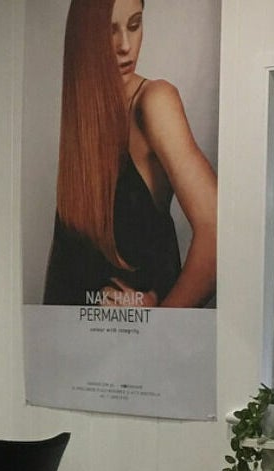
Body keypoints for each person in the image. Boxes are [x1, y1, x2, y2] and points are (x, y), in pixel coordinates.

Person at [43, 0, 216, 308]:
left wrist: (159, 324)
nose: (126, 45)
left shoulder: (153, 101)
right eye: (110, 31)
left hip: (133, 348)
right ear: (85, 36)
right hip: (73, 343)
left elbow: (217, 232)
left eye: (135, 25)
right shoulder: (83, 118)